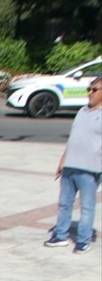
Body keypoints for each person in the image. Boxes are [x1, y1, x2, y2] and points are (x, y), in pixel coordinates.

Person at [45, 77, 101, 254]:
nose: (90, 93)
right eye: (89, 89)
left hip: (90, 169)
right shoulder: (82, 111)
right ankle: (60, 235)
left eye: (94, 90)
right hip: (70, 166)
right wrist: (63, 160)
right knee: (64, 203)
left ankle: (83, 241)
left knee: (86, 207)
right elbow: (74, 138)